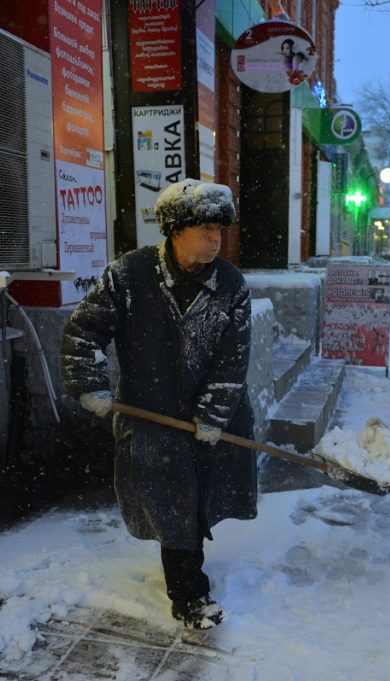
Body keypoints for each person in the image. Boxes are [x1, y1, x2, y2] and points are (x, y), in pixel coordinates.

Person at [61, 179, 256, 631]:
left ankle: (189, 575)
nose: (215, 239)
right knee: (175, 504)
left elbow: (234, 358)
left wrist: (213, 414)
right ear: (175, 229)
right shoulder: (128, 276)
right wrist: (89, 383)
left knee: (198, 500)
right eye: (205, 229)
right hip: (152, 416)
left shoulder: (230, 284)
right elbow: (84, 331)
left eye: (219, 230)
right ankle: (189, 596)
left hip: (211, 418)